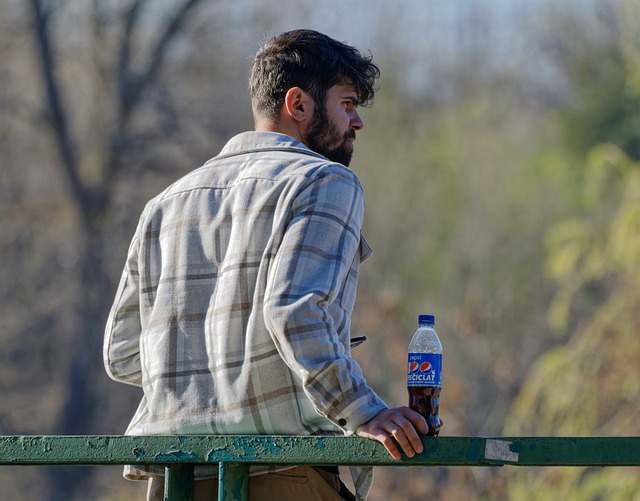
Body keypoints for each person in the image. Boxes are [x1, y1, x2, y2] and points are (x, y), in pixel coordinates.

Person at [104, 29, 428, 501]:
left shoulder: (165, 204)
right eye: (347, 103)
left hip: (174, 481)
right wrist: (364, 412)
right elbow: (295, 312)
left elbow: (122, 351)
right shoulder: (324, 180)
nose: (357, 122)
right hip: (282, 470)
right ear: (298, 104)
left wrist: (213, 368)